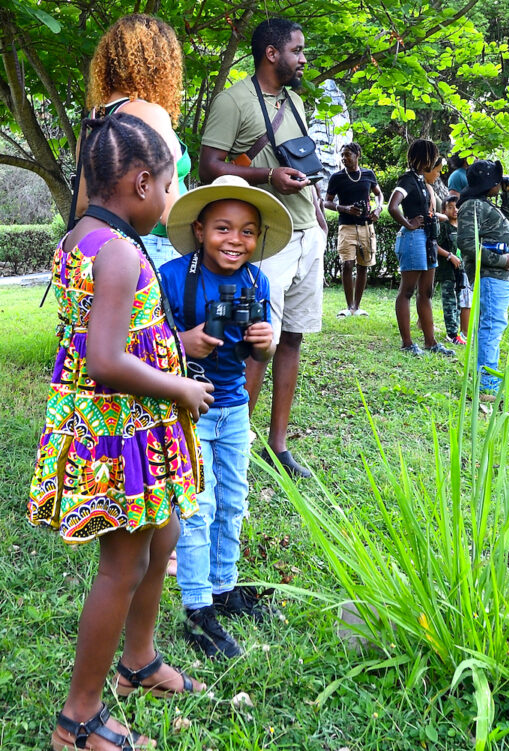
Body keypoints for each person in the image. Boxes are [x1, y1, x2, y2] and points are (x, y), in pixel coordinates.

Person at [28, 113, 213, 751]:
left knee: (165, 536)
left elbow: (117, 330)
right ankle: (78, 720)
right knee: (122, 565)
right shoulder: (119, 252)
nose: (169, 201)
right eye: (168, 187)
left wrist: (173, 342)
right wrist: (182, 386)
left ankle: (138, 664)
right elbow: (106, 360)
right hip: (120, 429)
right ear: (140, 184)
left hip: (125, 426)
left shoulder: (82, 236)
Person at [158, 175, 289, 658]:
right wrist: (182, 343)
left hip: (232, 409)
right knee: (197, 509)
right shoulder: (171, 277)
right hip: (185, 410)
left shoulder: (257, 280)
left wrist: (266, 344)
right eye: (223, 229)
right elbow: (140, 347)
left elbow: (264, 353)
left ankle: (223, 586)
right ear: (199, 230)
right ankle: (197, 608)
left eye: (248, 231)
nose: (235, 240)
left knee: (233, 500)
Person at [199, 17, 327, 480]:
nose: (303, 59)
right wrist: (267, 178)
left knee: (292, 337)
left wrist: (317, 211)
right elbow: (210, 167)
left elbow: (299, 158)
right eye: (297, 50)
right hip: (267, 238)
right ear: (272, 53)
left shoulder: (294, 100)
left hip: (307, 231)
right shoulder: (232, 100)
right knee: (257, 343)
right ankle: (235, 446)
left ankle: (277, 446)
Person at [79, 13, 189, 268]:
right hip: (154, 248)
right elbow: (168, 211)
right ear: (161, 62)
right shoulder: (150, 114)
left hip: (102, 246)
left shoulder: (95, 117)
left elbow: (82, 204)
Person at [457, 160, 509, 396]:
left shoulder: (482, 205)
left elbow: (506, 219)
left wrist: (508, 194)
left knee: (492, 326)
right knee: (492, 327)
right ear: (487, 182)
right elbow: (466, 243)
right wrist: (501, 260)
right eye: (496, 178)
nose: (499, 181)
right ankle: (487, 387)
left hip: (498, 278)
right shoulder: (472, 205)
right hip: (492, 275)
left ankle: (487, 380)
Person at [387, 139, 455, 357]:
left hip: (427, 239)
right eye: (432, 156)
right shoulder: (407, 180)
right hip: (413, 238)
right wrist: (409, 223)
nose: (435, 161)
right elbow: (393, 206)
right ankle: (407, 343)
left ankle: (431, 343)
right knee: (407, 291)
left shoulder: (420, 181)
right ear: (424, 157)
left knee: (426, 292)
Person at [323, 143, 383, 318]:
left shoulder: (368, 175)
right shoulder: (337, 178)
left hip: (366, 226)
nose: (344, 158)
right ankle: (349, 307)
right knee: (347, 264)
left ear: (358, 155)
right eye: (342, 155)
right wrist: (345, 208)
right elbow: (326, 202)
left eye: (348, 154)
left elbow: (379, 194)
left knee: (363, 265)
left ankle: (357, 306)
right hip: (347, 226)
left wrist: (378, 209)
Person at [435, 195, 472, 346]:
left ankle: (456, 333)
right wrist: (450, 256)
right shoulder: (444, 226)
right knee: (449, 303)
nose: (454, 210)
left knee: (458, 303)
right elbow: (434, 246)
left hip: (461, 272)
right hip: (447, 271)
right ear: (444, 210)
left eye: (457, 207)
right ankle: (451, 334)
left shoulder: (464, 227)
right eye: (450, 207)